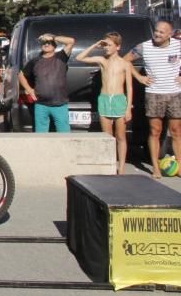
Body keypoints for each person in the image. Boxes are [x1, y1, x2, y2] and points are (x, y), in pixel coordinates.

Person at [124, 19, 181, 178]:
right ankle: (155, 167)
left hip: (175, 93)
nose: (157, 34)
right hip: (154, 94)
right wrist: (138, 77)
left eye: (162, 32)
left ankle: (180, 165)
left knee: (176, 131)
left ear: (170, 34)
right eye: (156, 30)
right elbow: (125, 60)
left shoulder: (178, 45)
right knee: (155, 131)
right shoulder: (144, 47)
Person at [77, 33, 133, 174]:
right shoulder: (103, 60)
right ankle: (109, 164)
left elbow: (129, 88)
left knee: (121, 136)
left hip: (119, 100)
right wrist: (96, 44)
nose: (106, 48)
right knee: (107, 136)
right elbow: (80, 57)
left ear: (118, 47)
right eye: (105, 45)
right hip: (104, 99)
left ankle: (121, 167)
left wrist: (128, 109)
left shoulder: (125, 64)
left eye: (109, 45)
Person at [18, 33, 76, 133]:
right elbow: (21, 75)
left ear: (55, 45)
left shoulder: (61, 56)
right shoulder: (35, 61)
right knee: (41, 136)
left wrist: (53, 37)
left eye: (49, 43)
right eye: (44, 43)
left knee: (65, 135)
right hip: (41, 105)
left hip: (60, 105)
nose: (46, 44)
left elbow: (71, 41)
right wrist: (30, 90)